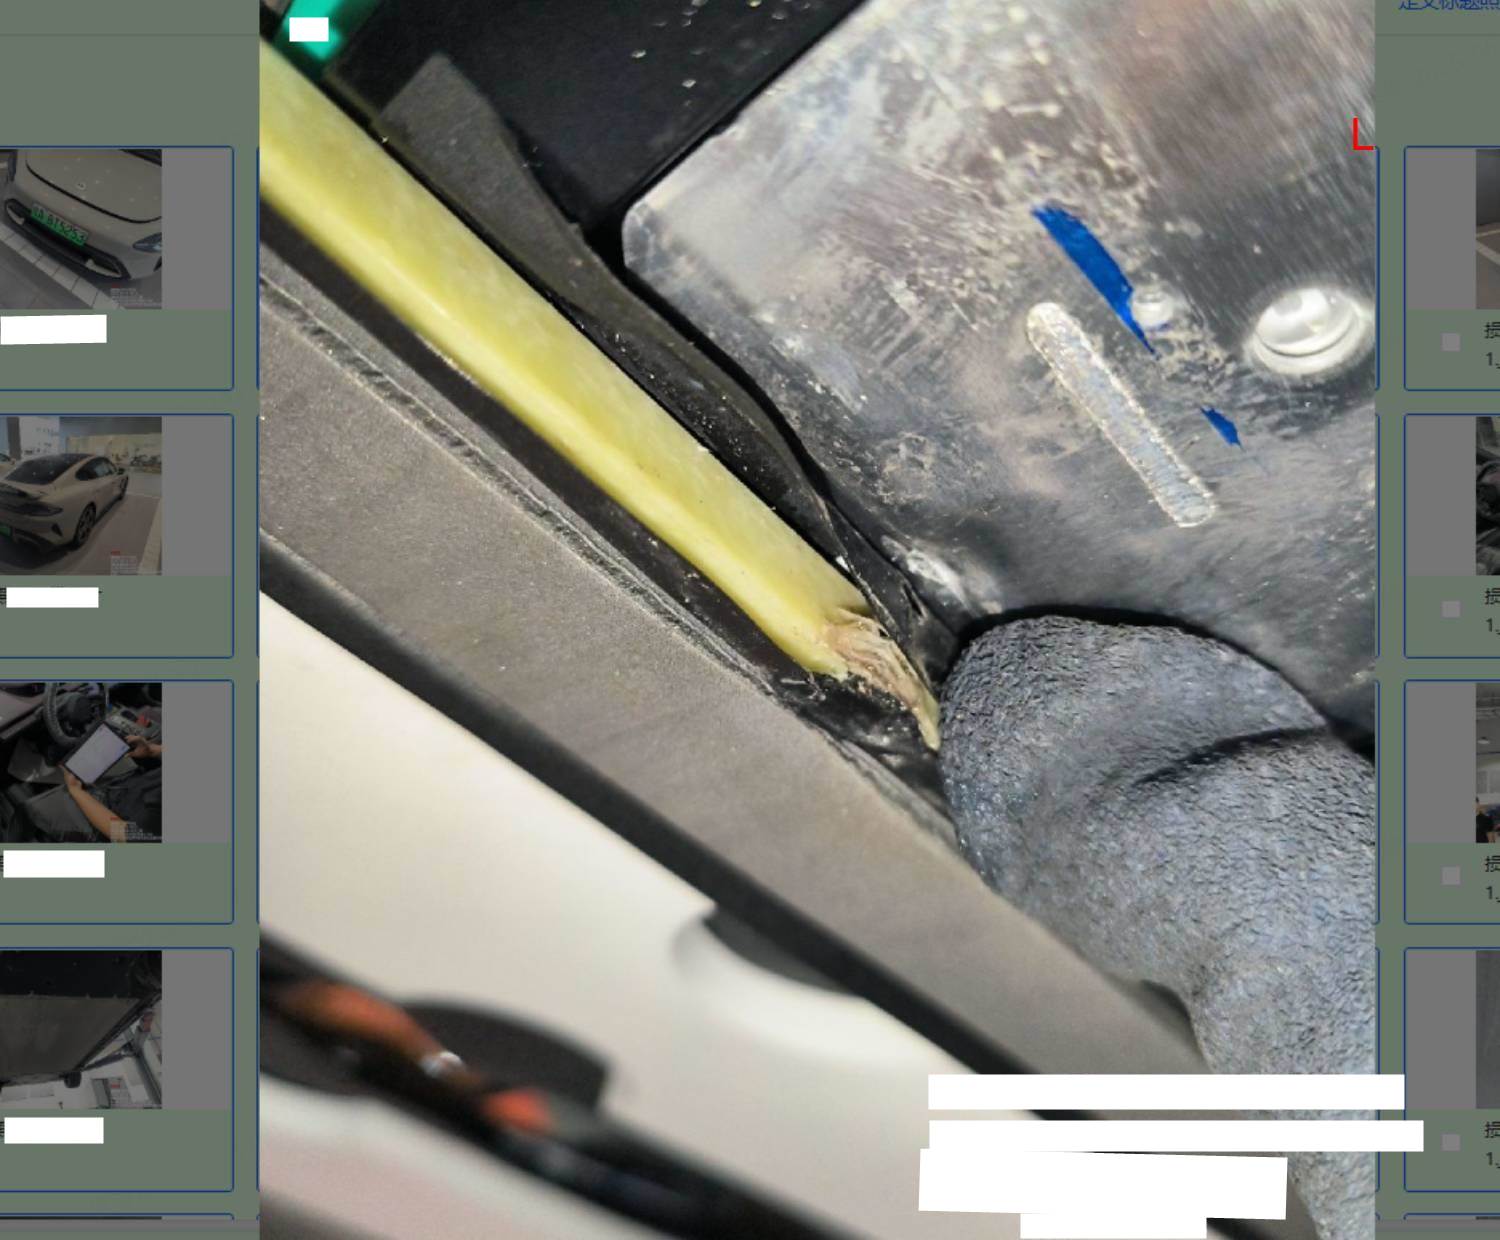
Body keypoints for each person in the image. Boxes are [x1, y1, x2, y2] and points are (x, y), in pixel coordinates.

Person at [33, 734, 162, 843]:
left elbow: (123, 835)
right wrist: (152, 751)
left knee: (36, 809)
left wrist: (76, 791)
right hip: (132, 786)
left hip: (116, 820)